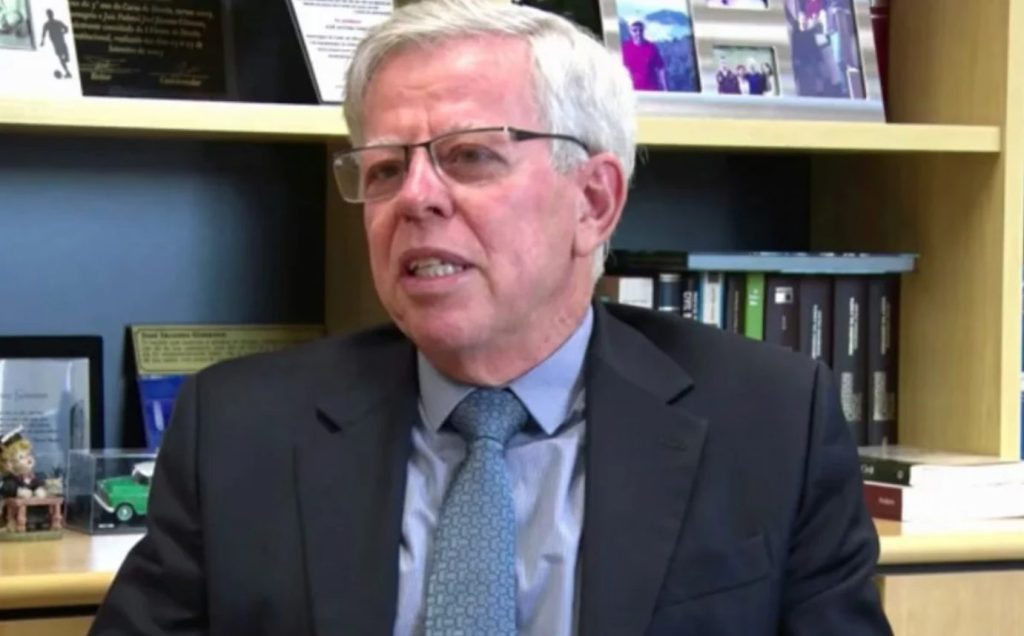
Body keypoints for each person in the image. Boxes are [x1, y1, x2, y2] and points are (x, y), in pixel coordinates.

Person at [90, 0, 891, 634]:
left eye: (470, 156)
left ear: (594, 201)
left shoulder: (772, 424)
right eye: (386, 168)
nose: (414, 198)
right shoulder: (239, 428)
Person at [620, 19, 668, 91]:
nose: (638, 33)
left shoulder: (651, 47)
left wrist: (665, 87)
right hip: (632, 89)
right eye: (635, 30)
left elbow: (660, 68)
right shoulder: (625, 48)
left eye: (641, 30)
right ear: (630, 31)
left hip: (651, 89)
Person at [39, 8, 72, 78]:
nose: (50, 15)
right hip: (57, 44)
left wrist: (63, 32)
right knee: (61, 58)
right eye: (49, 14)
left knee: (65, 59)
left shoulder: (57, 22)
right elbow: (43, 33)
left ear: (52, 14)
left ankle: (67, 70)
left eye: (50, 14)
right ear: (47, 15)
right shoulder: (47, 24)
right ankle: (67, 72)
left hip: (61, 42)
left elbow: (66, 28)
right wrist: (42, 41)